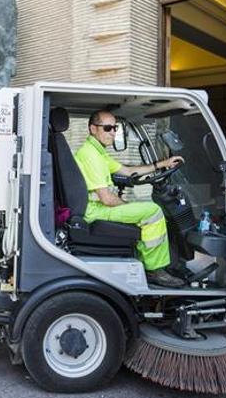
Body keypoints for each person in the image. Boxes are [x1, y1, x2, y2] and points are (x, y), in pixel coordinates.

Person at [74, 110, 186, 288]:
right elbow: (107, 199)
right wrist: (129, 206)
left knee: (143, 210)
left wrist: (161, 164)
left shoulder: (98, 152)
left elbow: (126, 171)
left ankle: (146, 262)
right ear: (93, 129)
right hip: (95, 211)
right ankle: (155, 270)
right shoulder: (90, 155)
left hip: (98, 207)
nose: (113, 132)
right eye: (108, 128)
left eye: (115, 128)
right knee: (153, 212)